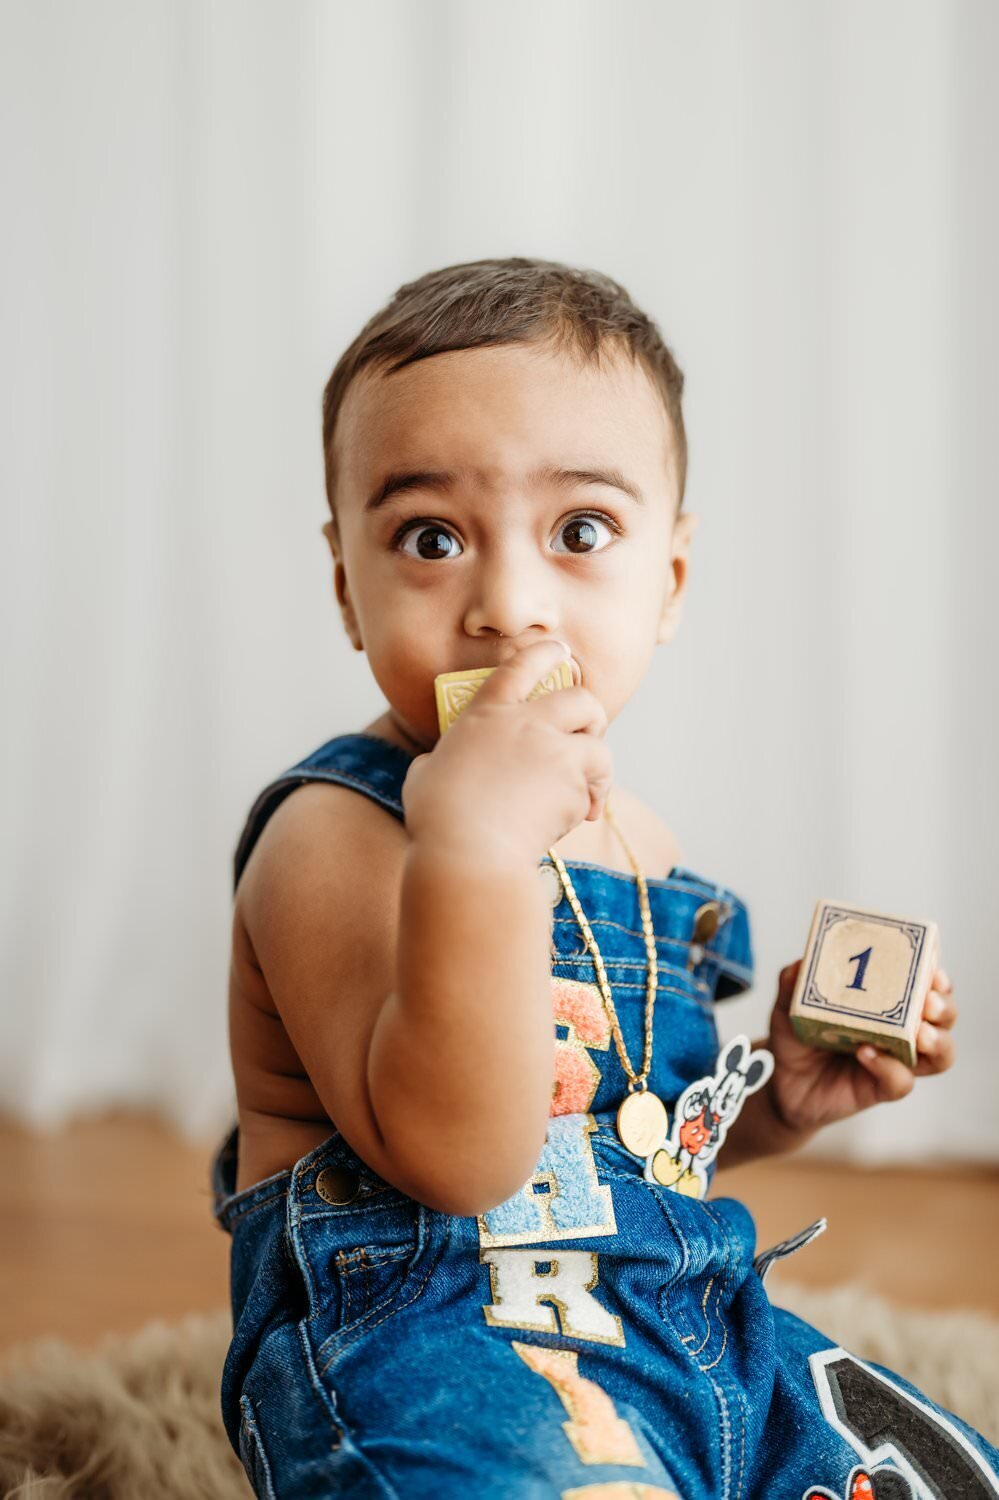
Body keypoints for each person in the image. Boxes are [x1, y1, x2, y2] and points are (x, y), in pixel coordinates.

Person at [210, 257, 996, 1500]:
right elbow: (463, 1162)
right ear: (346, 586)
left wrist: (775, 1104)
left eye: (580, 532)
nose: (511, 608)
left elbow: (620, 1155)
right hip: (437, 1341)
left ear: (669, 579)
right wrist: (471, 848)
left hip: (679, 1325)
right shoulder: (335, 838)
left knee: (932, 1473)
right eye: (431, 538)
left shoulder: (637, 841)